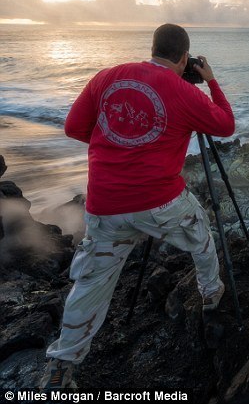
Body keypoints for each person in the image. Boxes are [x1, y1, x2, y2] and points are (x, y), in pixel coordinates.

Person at [40, 23, 235, 389]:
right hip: (161, 203)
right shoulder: (184, 92)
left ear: (153, 48)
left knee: (92, 281)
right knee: (202, 234)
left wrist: (120, 143)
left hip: (104, 205)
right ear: (184, 58)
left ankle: (62, 364)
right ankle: (212, 293)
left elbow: (73, 128)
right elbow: (225, 125)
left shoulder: (107, 77)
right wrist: (211, 82)